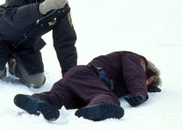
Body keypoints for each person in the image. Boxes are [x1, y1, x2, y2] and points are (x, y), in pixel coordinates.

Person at [14, 51, 162, 121]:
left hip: (77, 81)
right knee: (105, 96)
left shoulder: (124, 78)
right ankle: (99, 107)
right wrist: (140, 91)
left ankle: (37, 101)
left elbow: (130, 79)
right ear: (149, 75)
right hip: (89, 75)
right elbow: (134, 74)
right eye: (148, 82)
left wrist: (143, 88)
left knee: (57, 97)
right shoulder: (136, 60)